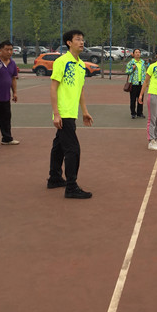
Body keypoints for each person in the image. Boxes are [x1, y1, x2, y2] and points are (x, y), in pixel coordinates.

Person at [47, 30, 94, 199]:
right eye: (78, 39)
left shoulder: (81, 65)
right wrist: (56, 113)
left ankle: (54, 178)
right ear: (69, 42)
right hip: (63, 112)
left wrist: (85, 111)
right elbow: (53, 88)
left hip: (72, 112)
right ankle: (71, 187)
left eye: (83, 39)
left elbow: (80, 90)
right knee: (73, 149)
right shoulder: (61, 62)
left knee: (59, 145)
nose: (82, 42)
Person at [125, 48, 148, 119]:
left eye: (139, 52)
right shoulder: (131, 63)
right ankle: (133, 113)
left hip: (141, 83)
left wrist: (146, 82)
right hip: (134, 83)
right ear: (133, 54)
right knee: (133, 99)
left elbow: (144, 72)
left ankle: (140, 113)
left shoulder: (142, 62)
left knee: (140, 98)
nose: (138, 54)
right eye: (136, 52)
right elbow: (127, 72)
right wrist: (132, 68)